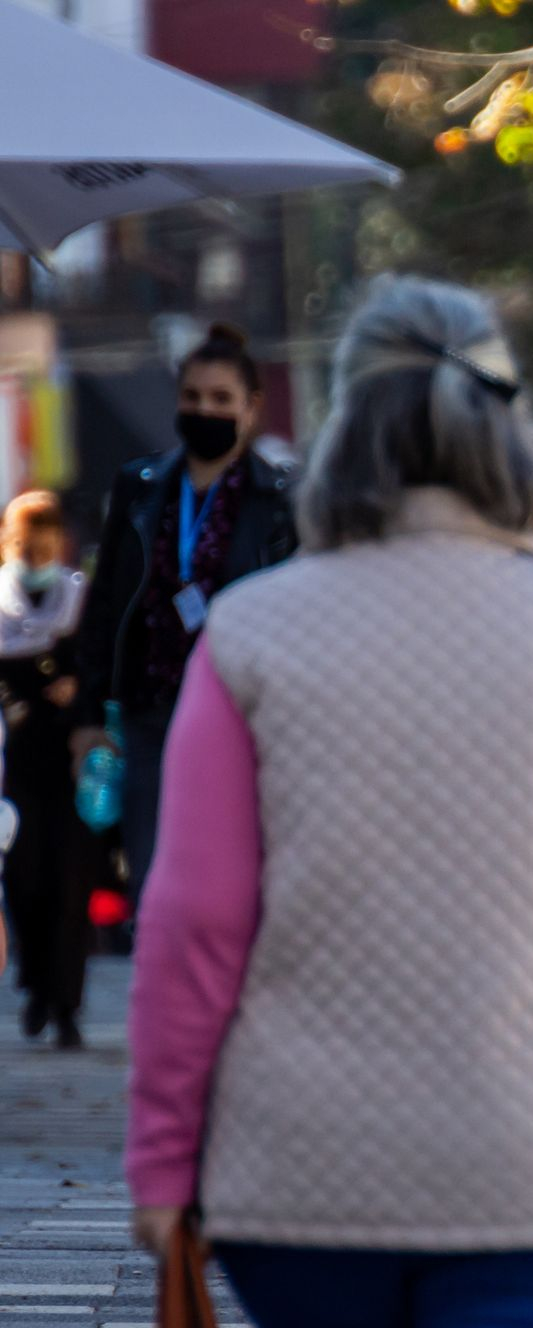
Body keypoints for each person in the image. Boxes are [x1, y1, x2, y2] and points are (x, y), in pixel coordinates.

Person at [122, 278, 533, 1328]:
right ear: (501, 424)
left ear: (340, 425)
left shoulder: (251, 632)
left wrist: (164, 1161)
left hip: (307, 1178)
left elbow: (194, 922)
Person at [74, 324, 296, 901]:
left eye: (221, 399)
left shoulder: (278, 503)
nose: (204, 410)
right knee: (152, 884)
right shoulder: (139, 487)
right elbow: (105, 607)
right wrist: (88, 717)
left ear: (250, 408)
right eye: (193, 397)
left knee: (232, 884)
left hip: (240, 718)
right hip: (149, 717)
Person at [0, 492, 90, 1048]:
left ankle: (67, 1005)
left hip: (73, 761)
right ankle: (35, 981)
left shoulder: (80, 600)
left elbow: (100, 664)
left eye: (47, 536)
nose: (38, 549)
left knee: (71, 882)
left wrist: (78, 690)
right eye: (27, 538)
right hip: (15, 764)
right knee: (26, 878)